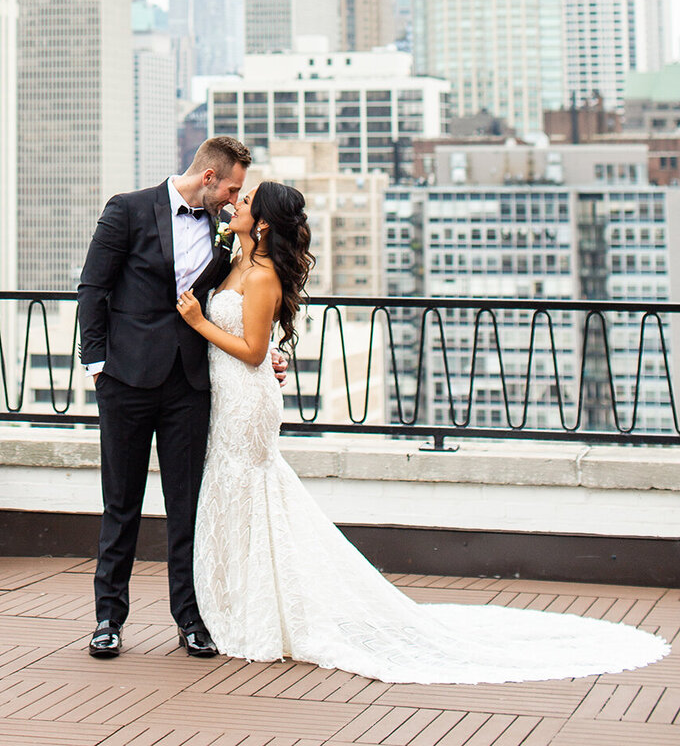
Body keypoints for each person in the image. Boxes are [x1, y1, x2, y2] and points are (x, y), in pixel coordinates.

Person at [175, 179, 670, 681]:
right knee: (231, 494)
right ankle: (238, 603)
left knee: (250, 491)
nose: (232, 204)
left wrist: (198, 321)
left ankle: (261, 611)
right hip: (227, 397)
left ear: (261, 221)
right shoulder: (236, 259)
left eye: (243, 201)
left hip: (247, 401)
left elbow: (255, 352)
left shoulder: (261, 276)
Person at [78, 136, 275, 659]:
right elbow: (92, 287)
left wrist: (271, 351)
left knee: (187, 507)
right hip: (125, 382)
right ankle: (107, 619)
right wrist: (98, 366)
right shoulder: (127, 209)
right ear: (209, 177)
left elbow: (243, 293)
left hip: (190, 385)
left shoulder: (224, 231)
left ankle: (190, 619)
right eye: (232, 188)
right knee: (121, 504)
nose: (236, 201)